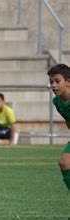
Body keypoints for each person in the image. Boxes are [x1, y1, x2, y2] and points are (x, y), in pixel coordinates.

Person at [47, 64, 70, 193]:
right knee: (65, 162)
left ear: (68, 82)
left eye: (57, 81)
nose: (53, 85)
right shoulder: (57, 102)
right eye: (51, 82)